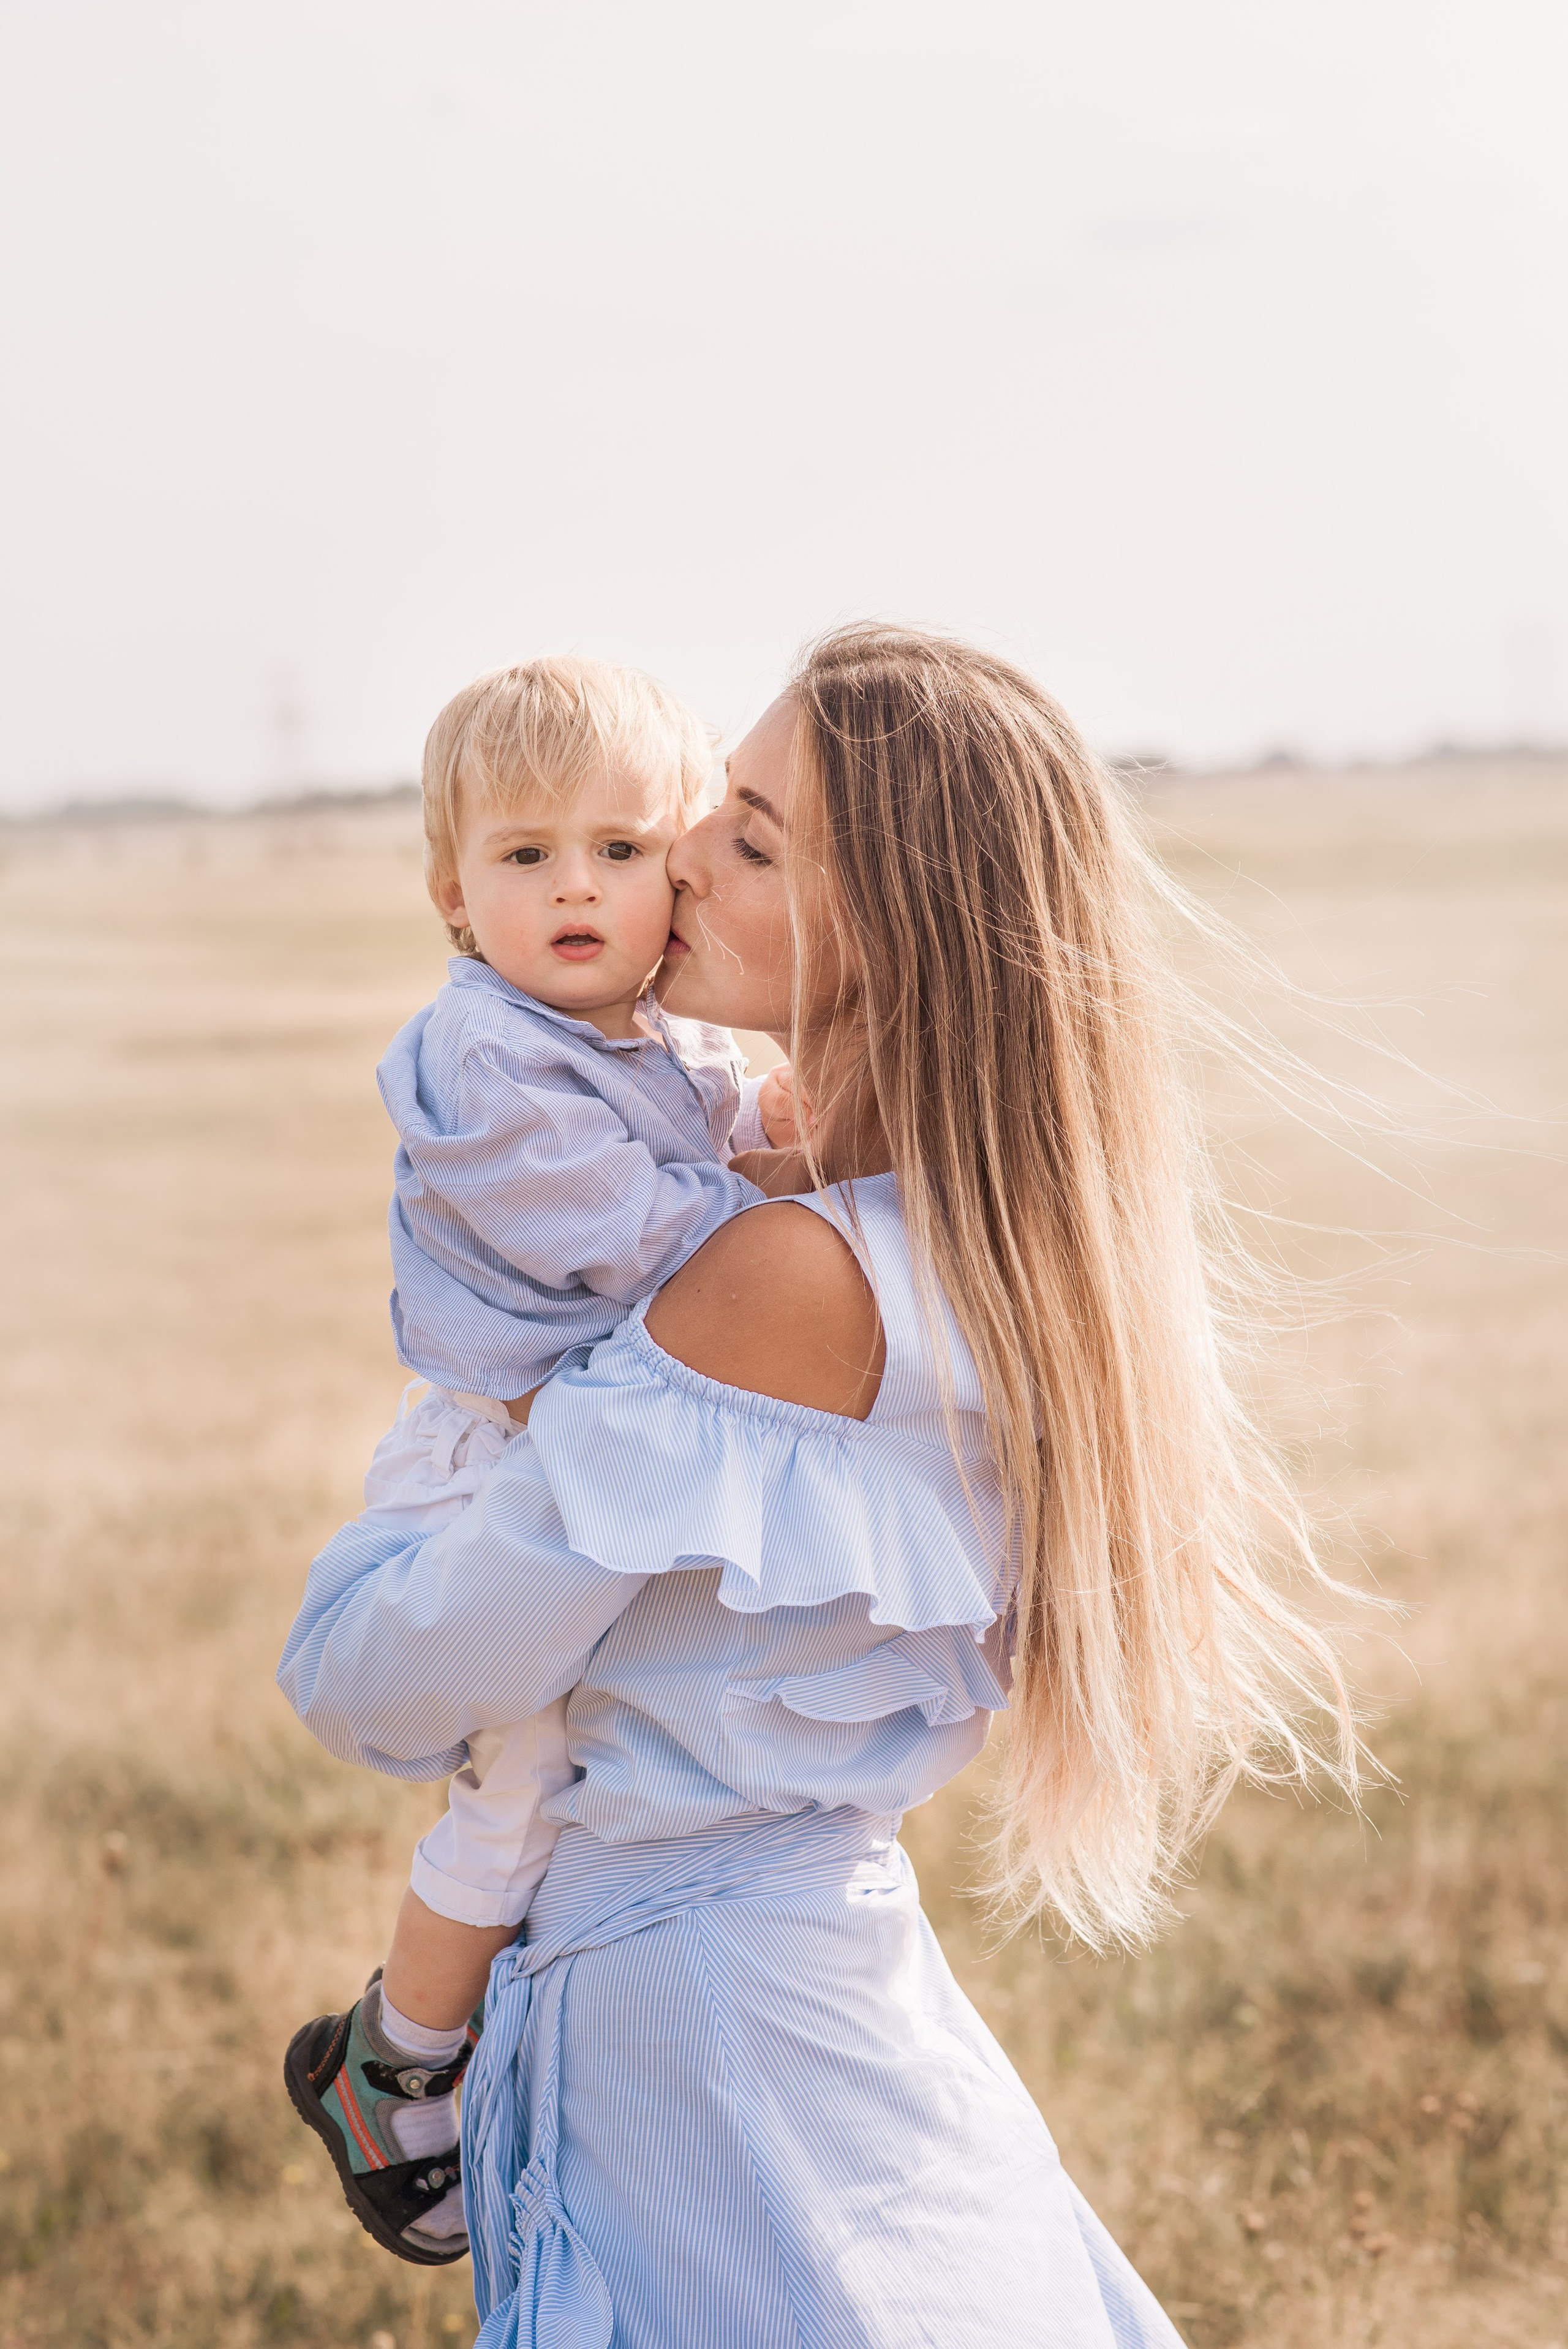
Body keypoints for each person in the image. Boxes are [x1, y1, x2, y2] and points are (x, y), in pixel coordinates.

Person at [279, 626, 1357, 2345]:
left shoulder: (775, 1275)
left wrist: (398, 1518)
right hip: (812, 1995)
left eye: (754, 839)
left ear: (895, 934)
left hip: (707, 2050)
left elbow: (377, 1671)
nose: (680, 853)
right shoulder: (981, 1251)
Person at [281, 657, 794, 2262]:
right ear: (455, 893)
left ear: (680, 876)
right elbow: (627, 1239)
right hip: (476, 1460)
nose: (577, 882)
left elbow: (744, 1131)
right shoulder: (483, 1053)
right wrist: (779, 1217)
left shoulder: (661, 1049)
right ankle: (391, 2064)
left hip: (576, 1460)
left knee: (585, 1777)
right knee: (516, 1788)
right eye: (526, 856)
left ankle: (538, 2044)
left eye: (623, 848)